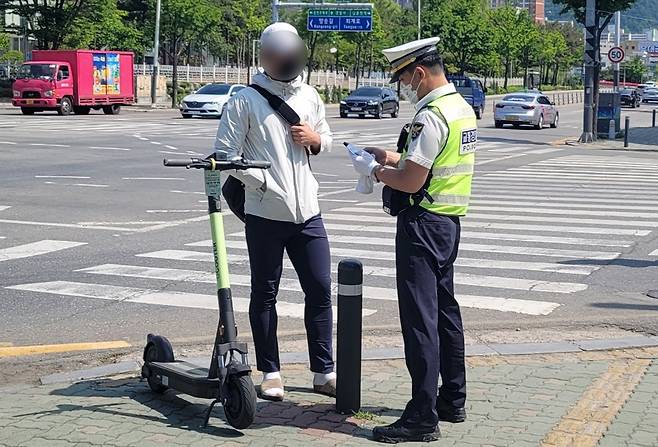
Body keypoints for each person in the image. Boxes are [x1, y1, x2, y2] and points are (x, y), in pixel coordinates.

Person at [348, 37, 474, 443]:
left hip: (421, 225)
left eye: (404, 78)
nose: (404, 87)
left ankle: (421, 416)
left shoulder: (431, 115)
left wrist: (374, 170)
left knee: (420, 321)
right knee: (445, 314)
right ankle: (451, 399)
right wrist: (388, 155)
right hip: (448, 223)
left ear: (419, 73)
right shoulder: (460, 108)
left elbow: (412, 180)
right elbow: (434, 166)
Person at [214, 22, 335, 401]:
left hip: (308, 214)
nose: (289, 62)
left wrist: (316, 141)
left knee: (319, 289)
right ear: (266, 57)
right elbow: (224, 156)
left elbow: (326, 138)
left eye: (293, 56)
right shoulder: (244, 99)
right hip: (265, 214)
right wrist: (261, 183)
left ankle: (324, 370)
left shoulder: (311, 95)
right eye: (282, 57)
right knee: (265, 294)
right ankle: (272, 371)